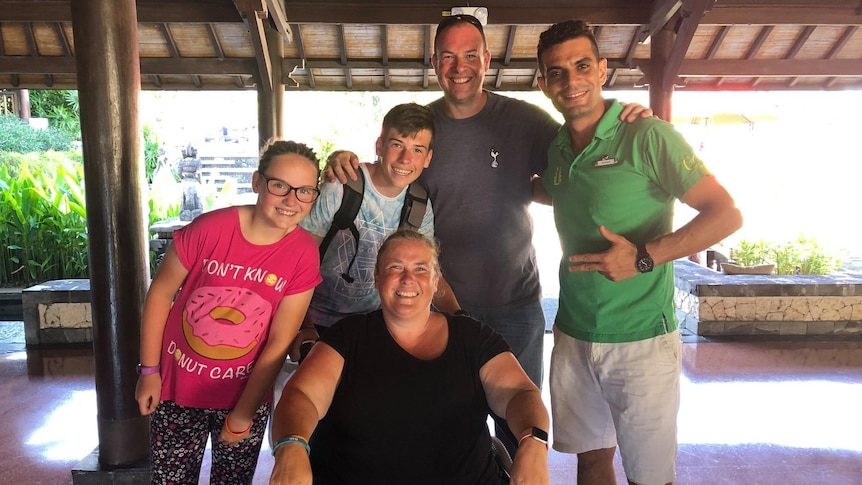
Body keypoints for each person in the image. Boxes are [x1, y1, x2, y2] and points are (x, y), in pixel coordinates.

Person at [324, 13, 652, 454]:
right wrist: (340, 158)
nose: (460, 67)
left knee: (518, 427)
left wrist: (625, 117)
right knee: (440, 430)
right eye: (448, 57)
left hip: (516, 305)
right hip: (439, 308)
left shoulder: (525, 120)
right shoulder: (426, 127)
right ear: (434, 62)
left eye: (470, 55)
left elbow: (583, 160)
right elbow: (387, 174)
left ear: (487, 59)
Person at [535, 20, 743, 485]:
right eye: (557, 72)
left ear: (603, 69)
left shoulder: (648, 135)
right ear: (543, 82)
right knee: (589, 460)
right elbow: (557, 190)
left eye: (582, 65)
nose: (572, 81)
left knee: (649, 478)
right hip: (571, 334)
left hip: (642, 339)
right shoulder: (556, 150)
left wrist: (644, 256)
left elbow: (725, 214)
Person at [269, 229, 550, 485]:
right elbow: (302, 395)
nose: (408, 279)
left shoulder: (472, 337)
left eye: (420, 269)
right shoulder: (348, 336)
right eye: (395, 267)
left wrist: (534, 442)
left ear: (436, 281)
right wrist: (292, 445)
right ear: (377, 279)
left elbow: (518, 393)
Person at [135, 139, 324, 485]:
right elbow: (160, 294)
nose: (290, 201)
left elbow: (281, 339)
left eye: (304, 191)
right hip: (178, 386)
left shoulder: (303, 254)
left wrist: (243, 412)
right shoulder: (211, 229)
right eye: (279, 185)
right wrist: (149, 370)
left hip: (245, 392)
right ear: (257, 182)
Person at [299, 102, 460, 337]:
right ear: (379, 146)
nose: (406, 159)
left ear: (428, 158)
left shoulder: (419, 205)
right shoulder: (343, 185)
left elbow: (428, 272)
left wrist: (460, 317)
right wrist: (305, 325)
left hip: (375, 323)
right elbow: (298, 258)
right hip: (319, 319)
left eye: (417, 149)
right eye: (397, 145)